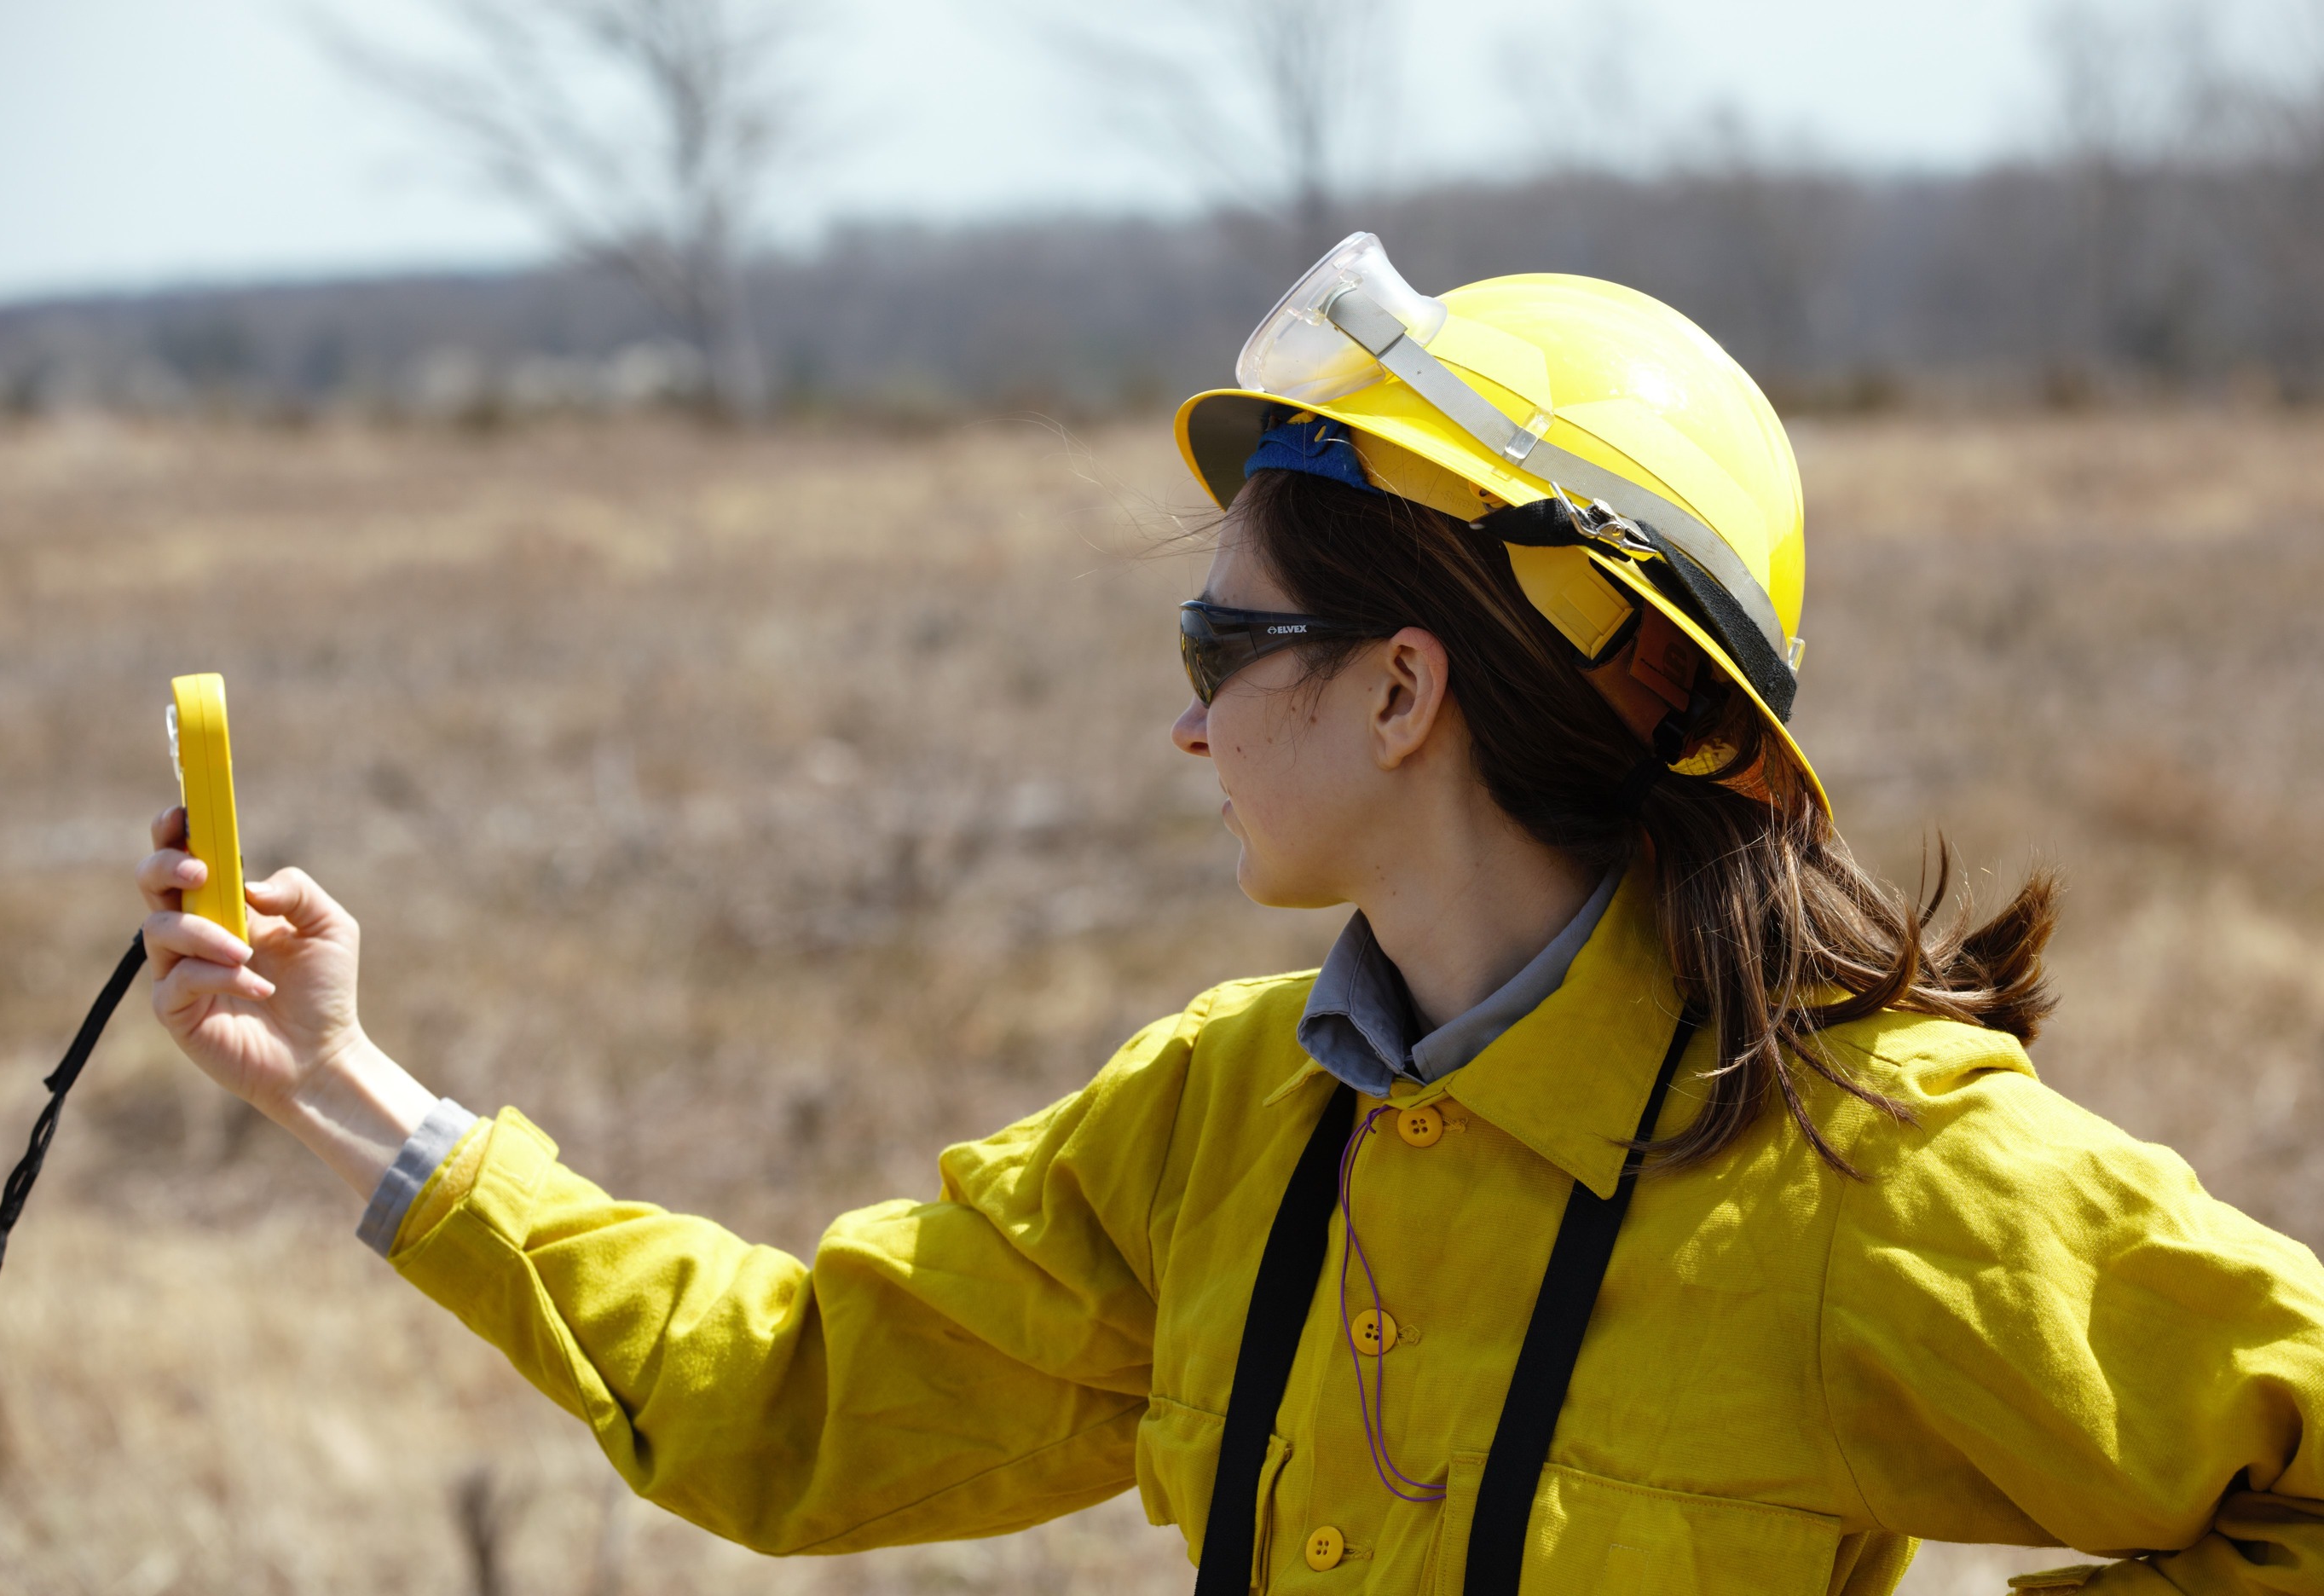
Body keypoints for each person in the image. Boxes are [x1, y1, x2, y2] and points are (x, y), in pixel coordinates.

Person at [135, 235, 2324, 1595]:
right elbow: (791, 1409)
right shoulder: (1212, 1129)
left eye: (1218, 643)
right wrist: (349, 1090)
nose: (1184, 728)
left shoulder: (1868, 1171)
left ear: (1399, 687)